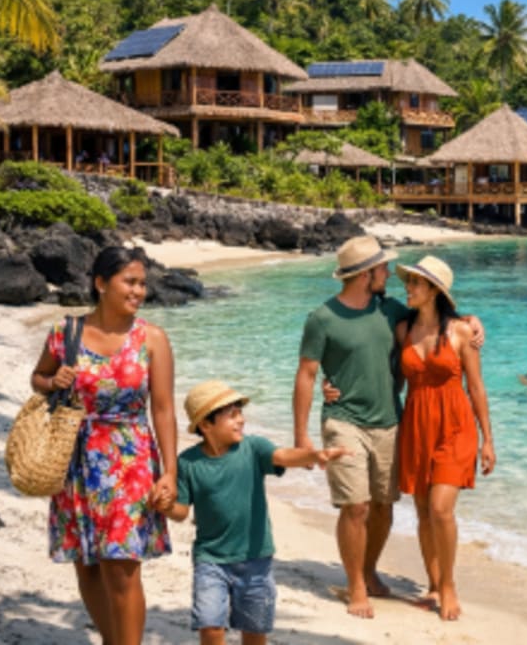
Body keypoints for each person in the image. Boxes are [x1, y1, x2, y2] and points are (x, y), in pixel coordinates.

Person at [294, 235, 482, 618]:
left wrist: (472, 321)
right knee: (357, 506)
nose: (390, 275)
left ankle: (369, 571)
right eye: (383, 268)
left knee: (383, 506)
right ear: (365, 274)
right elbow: (306, 375)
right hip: (344, 419)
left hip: (391, 422)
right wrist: (302, 437)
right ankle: (357, 587)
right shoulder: (322, 318)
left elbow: (437, 318)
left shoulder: (391, 311)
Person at [29, 245, 176, 645]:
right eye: (130, 282)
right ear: (100, 283)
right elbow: (38, 379)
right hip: (75, 460)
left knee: (122, 567)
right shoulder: (66, 333)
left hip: (130, 460)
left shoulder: (152, 339)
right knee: (87, 564)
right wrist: (52, 381)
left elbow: (163, 409)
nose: (139, 291)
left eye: (142, 284)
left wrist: (170, 472)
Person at [159, 380, 347, 645]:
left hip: (255, 559)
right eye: (232, 415)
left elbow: (283, 456)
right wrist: (167, 507)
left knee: (254, 631)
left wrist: (315, 456)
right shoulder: (188, 462)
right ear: (206, 425)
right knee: (210, 626)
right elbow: (181, 512)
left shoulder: (253, 448)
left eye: (241, 413)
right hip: (210, 559)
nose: (241, 420)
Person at [394, 256, 495, 620]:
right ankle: (434, 583)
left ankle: (449, 585)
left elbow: (477, 387)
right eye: (409, 282)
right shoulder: (402, 329)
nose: (408, 288)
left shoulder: (462, 332)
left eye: (416, 283)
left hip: (455, 426)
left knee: (440, 508)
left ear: (434, 290)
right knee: (423, 511)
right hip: (417, 425)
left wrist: (488, 440)